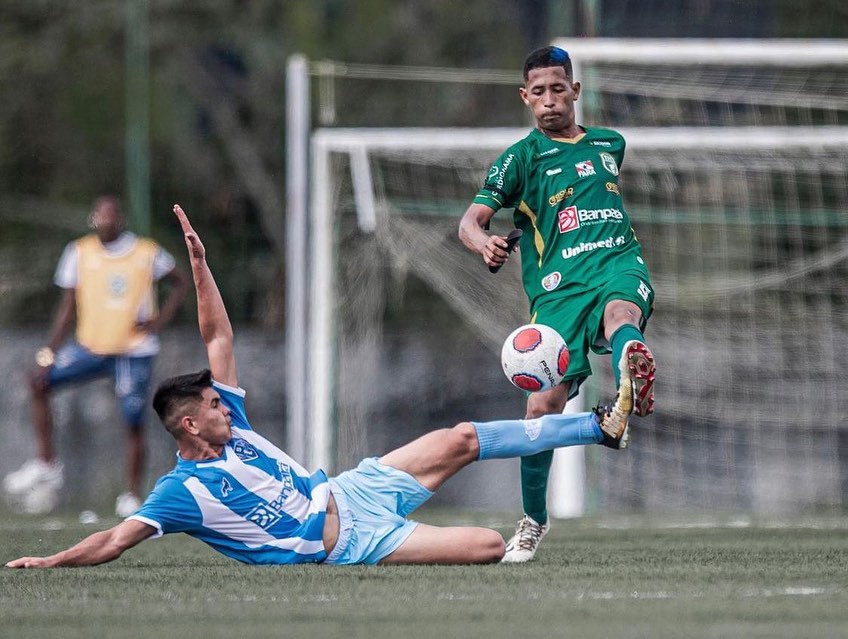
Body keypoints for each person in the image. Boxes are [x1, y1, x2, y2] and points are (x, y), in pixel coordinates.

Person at [5, 204, 631, 569]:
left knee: (462, 435)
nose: (228, 402)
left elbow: (217, 337)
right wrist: (53, 561)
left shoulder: (235, 429)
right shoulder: (183, 492)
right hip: (354, 539)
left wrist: (199, 267)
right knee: (488, 545)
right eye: (216, 404)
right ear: (191, 424)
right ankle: (562, 463)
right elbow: (116, 539)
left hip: (352, 486)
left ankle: (597, 426)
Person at [458, 46, 657, 563]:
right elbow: (470, 222)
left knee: (622, 316)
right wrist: (486, 244)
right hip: (558, 293)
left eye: (558, 88)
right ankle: (532, 521)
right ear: (525, 98)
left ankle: (626, 390)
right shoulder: (520, 158)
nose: (549, 100)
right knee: (540, 410)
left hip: (617, 264)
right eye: (538, 92)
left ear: (575, 91)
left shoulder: (610, 144)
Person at [3, 195, 189, 517]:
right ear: (93, 220)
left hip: (133, 350)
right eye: (99, 217)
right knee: (39, 382)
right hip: (90, 347)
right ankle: (47, 464)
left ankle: (131, 494)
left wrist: (159, 321)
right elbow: (66, 308)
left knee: (132, 419)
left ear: (120, 219)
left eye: (110, 216)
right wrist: (49, 352)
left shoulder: (145, 252)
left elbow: (180, 281)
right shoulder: (78, 252)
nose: (104, 222)